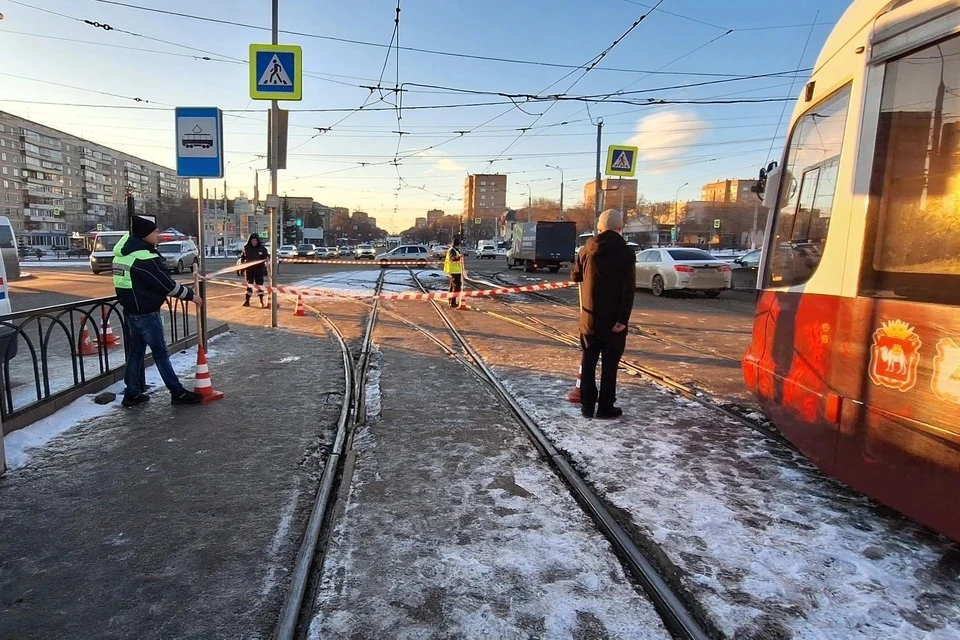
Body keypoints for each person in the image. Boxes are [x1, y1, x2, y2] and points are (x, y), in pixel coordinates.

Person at [113, 216, 205, 408]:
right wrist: (191, 296)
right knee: (161, 354)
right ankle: (177, 393)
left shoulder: (122, 255)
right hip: (146, 313)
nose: (158, 235)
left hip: (131, 311)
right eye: (154, 232)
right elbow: (167, 285)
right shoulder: (144, 258)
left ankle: (132, 393)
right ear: (145, 235)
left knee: (136, 353)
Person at [571, 209, 636, 419]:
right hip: (614, 321)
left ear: (599, 227)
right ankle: (606, 407)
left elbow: (575, 276)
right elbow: (628, 289)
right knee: (610, 365)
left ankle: (587, 406)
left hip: (589, 318)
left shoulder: (585, 250)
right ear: (620, 227)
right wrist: (622, 320)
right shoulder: (626, 252)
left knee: (588, 361)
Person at [240, 233, 270, 308]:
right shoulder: (246, 248)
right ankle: (247, 301)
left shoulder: (262, 249)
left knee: (259, 285)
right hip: (249, 270)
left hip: (259, 270)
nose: (254, 242)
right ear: (250, 241)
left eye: (255, 241)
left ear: (257, 241)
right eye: (252, 241)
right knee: (249, 285)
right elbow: (243, 259)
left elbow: (266, 258)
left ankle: (261, 300)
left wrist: (266, 268)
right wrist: (242, 269)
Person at [443, 237, 464, 309]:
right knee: (456, 287)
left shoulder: (454, 250)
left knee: (453, 287)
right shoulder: (452, 250)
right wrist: (459, 257)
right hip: (454, 271)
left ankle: (451, 300)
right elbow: (453, 259)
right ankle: (452, 302)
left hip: (455, 271)